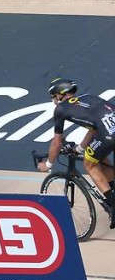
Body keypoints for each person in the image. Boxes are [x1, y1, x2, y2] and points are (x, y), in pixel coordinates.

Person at [40, 78, 115, 228]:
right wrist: (80, 148)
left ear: (60, 95)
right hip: (110, 128)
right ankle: (112, 191)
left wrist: (48, 164)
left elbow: (56, 142)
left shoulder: (61, 110)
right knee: (100, 158)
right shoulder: (88, 97)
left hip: (108, 135)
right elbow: (93, 128)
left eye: (53, 97)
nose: (54, 101)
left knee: (90, 165)